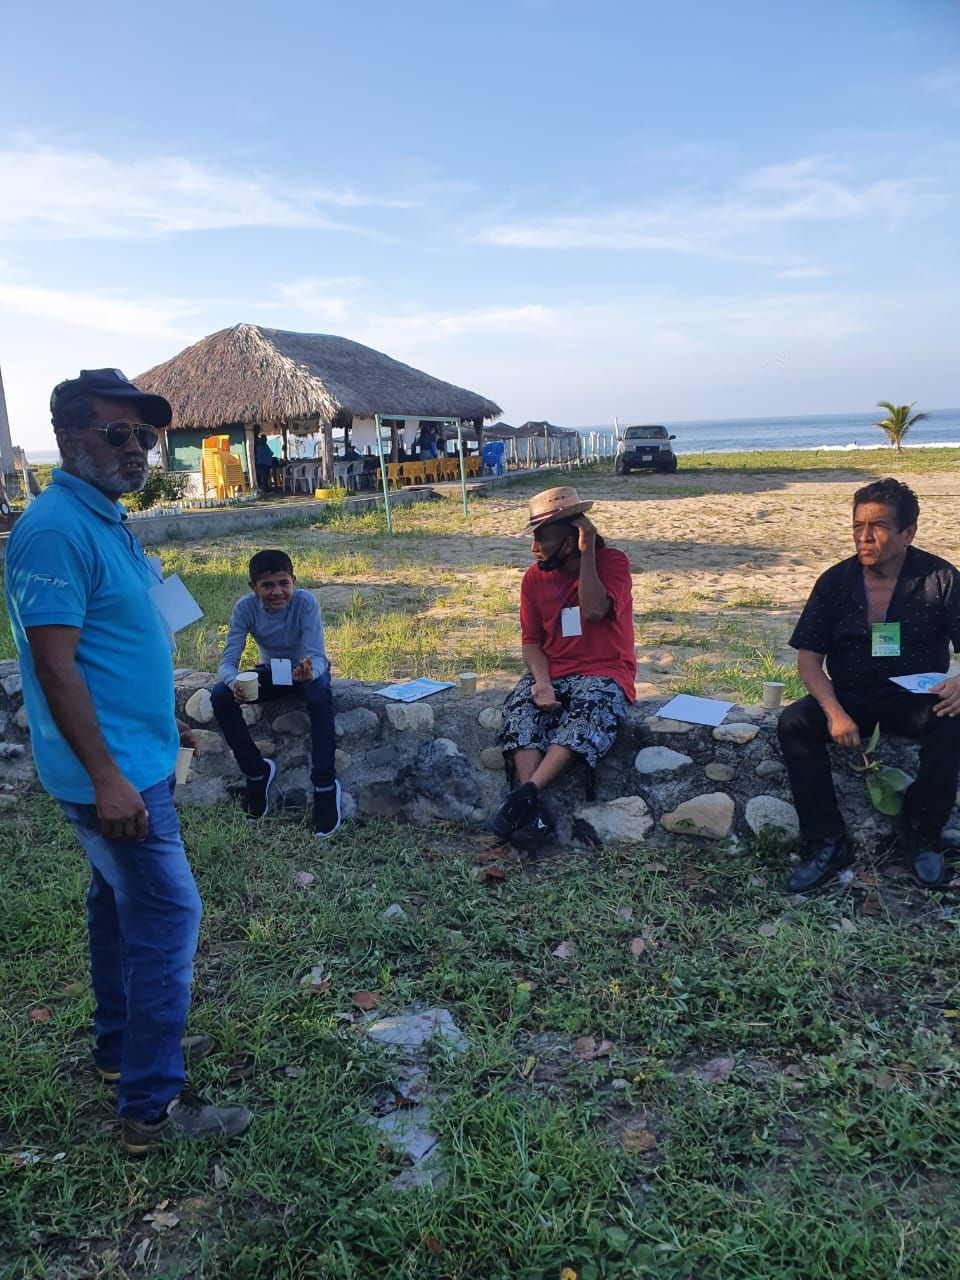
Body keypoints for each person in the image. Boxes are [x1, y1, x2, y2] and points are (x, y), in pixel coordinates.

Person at [4, 368, 251, 1153]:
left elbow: (130, 637)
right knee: (169, 915)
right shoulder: (52, 529)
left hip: (134, 757)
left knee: (116, 908)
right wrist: (109, 776)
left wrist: (161, 732)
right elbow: (55, 666)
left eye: (145, 435)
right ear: (69, 436)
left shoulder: (105, 518)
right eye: (120, 433)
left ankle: (123, 1053)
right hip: (106, 771)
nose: (138, 449)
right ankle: (150, 1105)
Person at [778, 477, 960, 892]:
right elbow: (808, 660)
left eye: (876, 527)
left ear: (908, 532)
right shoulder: (835, 582)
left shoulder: (940, 579)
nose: (864, 536)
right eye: (857, 525)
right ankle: (827, 842)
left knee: (952, 719)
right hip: (851, 696)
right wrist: (834, 711)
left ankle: (923, 836)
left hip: (914, 696)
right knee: (793, 723)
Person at [488, 486, 636, 847]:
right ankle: (533, 812)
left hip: (605, 671)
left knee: (589, 711)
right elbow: (532, 643)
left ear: (569, 543)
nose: (533, 548)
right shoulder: (533, 579)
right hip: (555, 672)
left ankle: (525, 795)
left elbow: (595, 610)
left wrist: (587, 556)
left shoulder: (613, 563)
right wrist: (541, 682)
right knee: (521, 711)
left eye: (542, 539)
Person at [210, 550, 340, 837]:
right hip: (271, 671)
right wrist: (234, 685)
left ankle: (324, 785)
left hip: (306, 671)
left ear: (293, 580)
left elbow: (318, 656)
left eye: (284, 583)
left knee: (319, 697)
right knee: (219, 697)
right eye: (267, 585)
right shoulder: (245, 608)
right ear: (253, 587)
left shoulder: (305, 602)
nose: (277, 592)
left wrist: (310, 672)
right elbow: (228, 660)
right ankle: (256, 772)